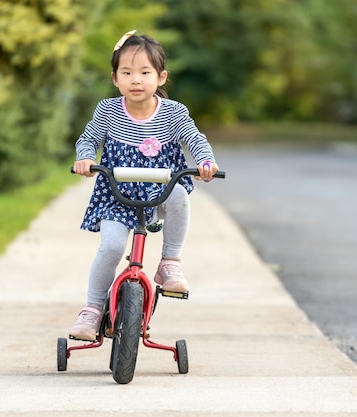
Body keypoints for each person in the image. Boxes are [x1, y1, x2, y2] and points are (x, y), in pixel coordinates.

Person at [69, 30, 219, 341]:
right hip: (116, 193)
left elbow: (195, 139)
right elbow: (88, 139)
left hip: (159, 189)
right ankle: (93, 309)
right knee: (110, 247)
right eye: (127, 73)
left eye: (144, 72)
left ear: (161, 77)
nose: (135, 80)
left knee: (179, 194)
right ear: (115, 79)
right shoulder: (107, 110)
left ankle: (169, 263)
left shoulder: (174, 112)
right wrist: (85, 158)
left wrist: (206, 162)